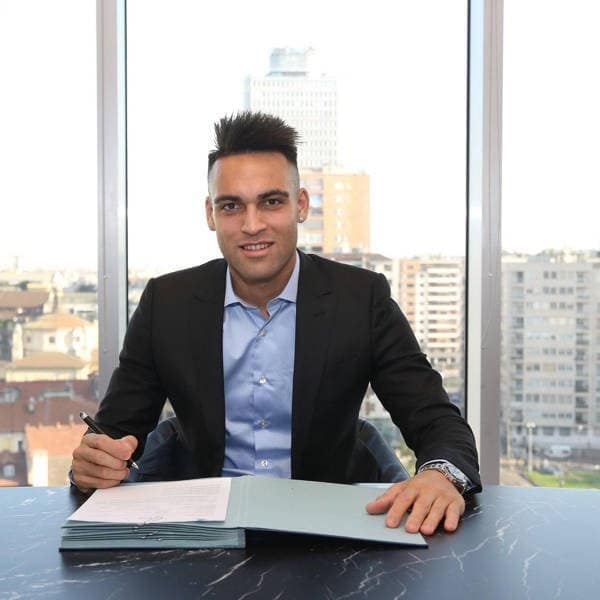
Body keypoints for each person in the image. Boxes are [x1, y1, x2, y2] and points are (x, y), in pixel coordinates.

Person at [72, 111, 481, 536]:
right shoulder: (166, 303)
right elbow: (114, 434)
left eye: (271, 202)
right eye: (232, 206)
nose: (252, 226)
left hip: (328, 529)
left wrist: (441, 475)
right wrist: (94, 461)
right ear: (211, 214)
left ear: (300, 205)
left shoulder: (361, 299)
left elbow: (435, 418)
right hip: (201, 530)